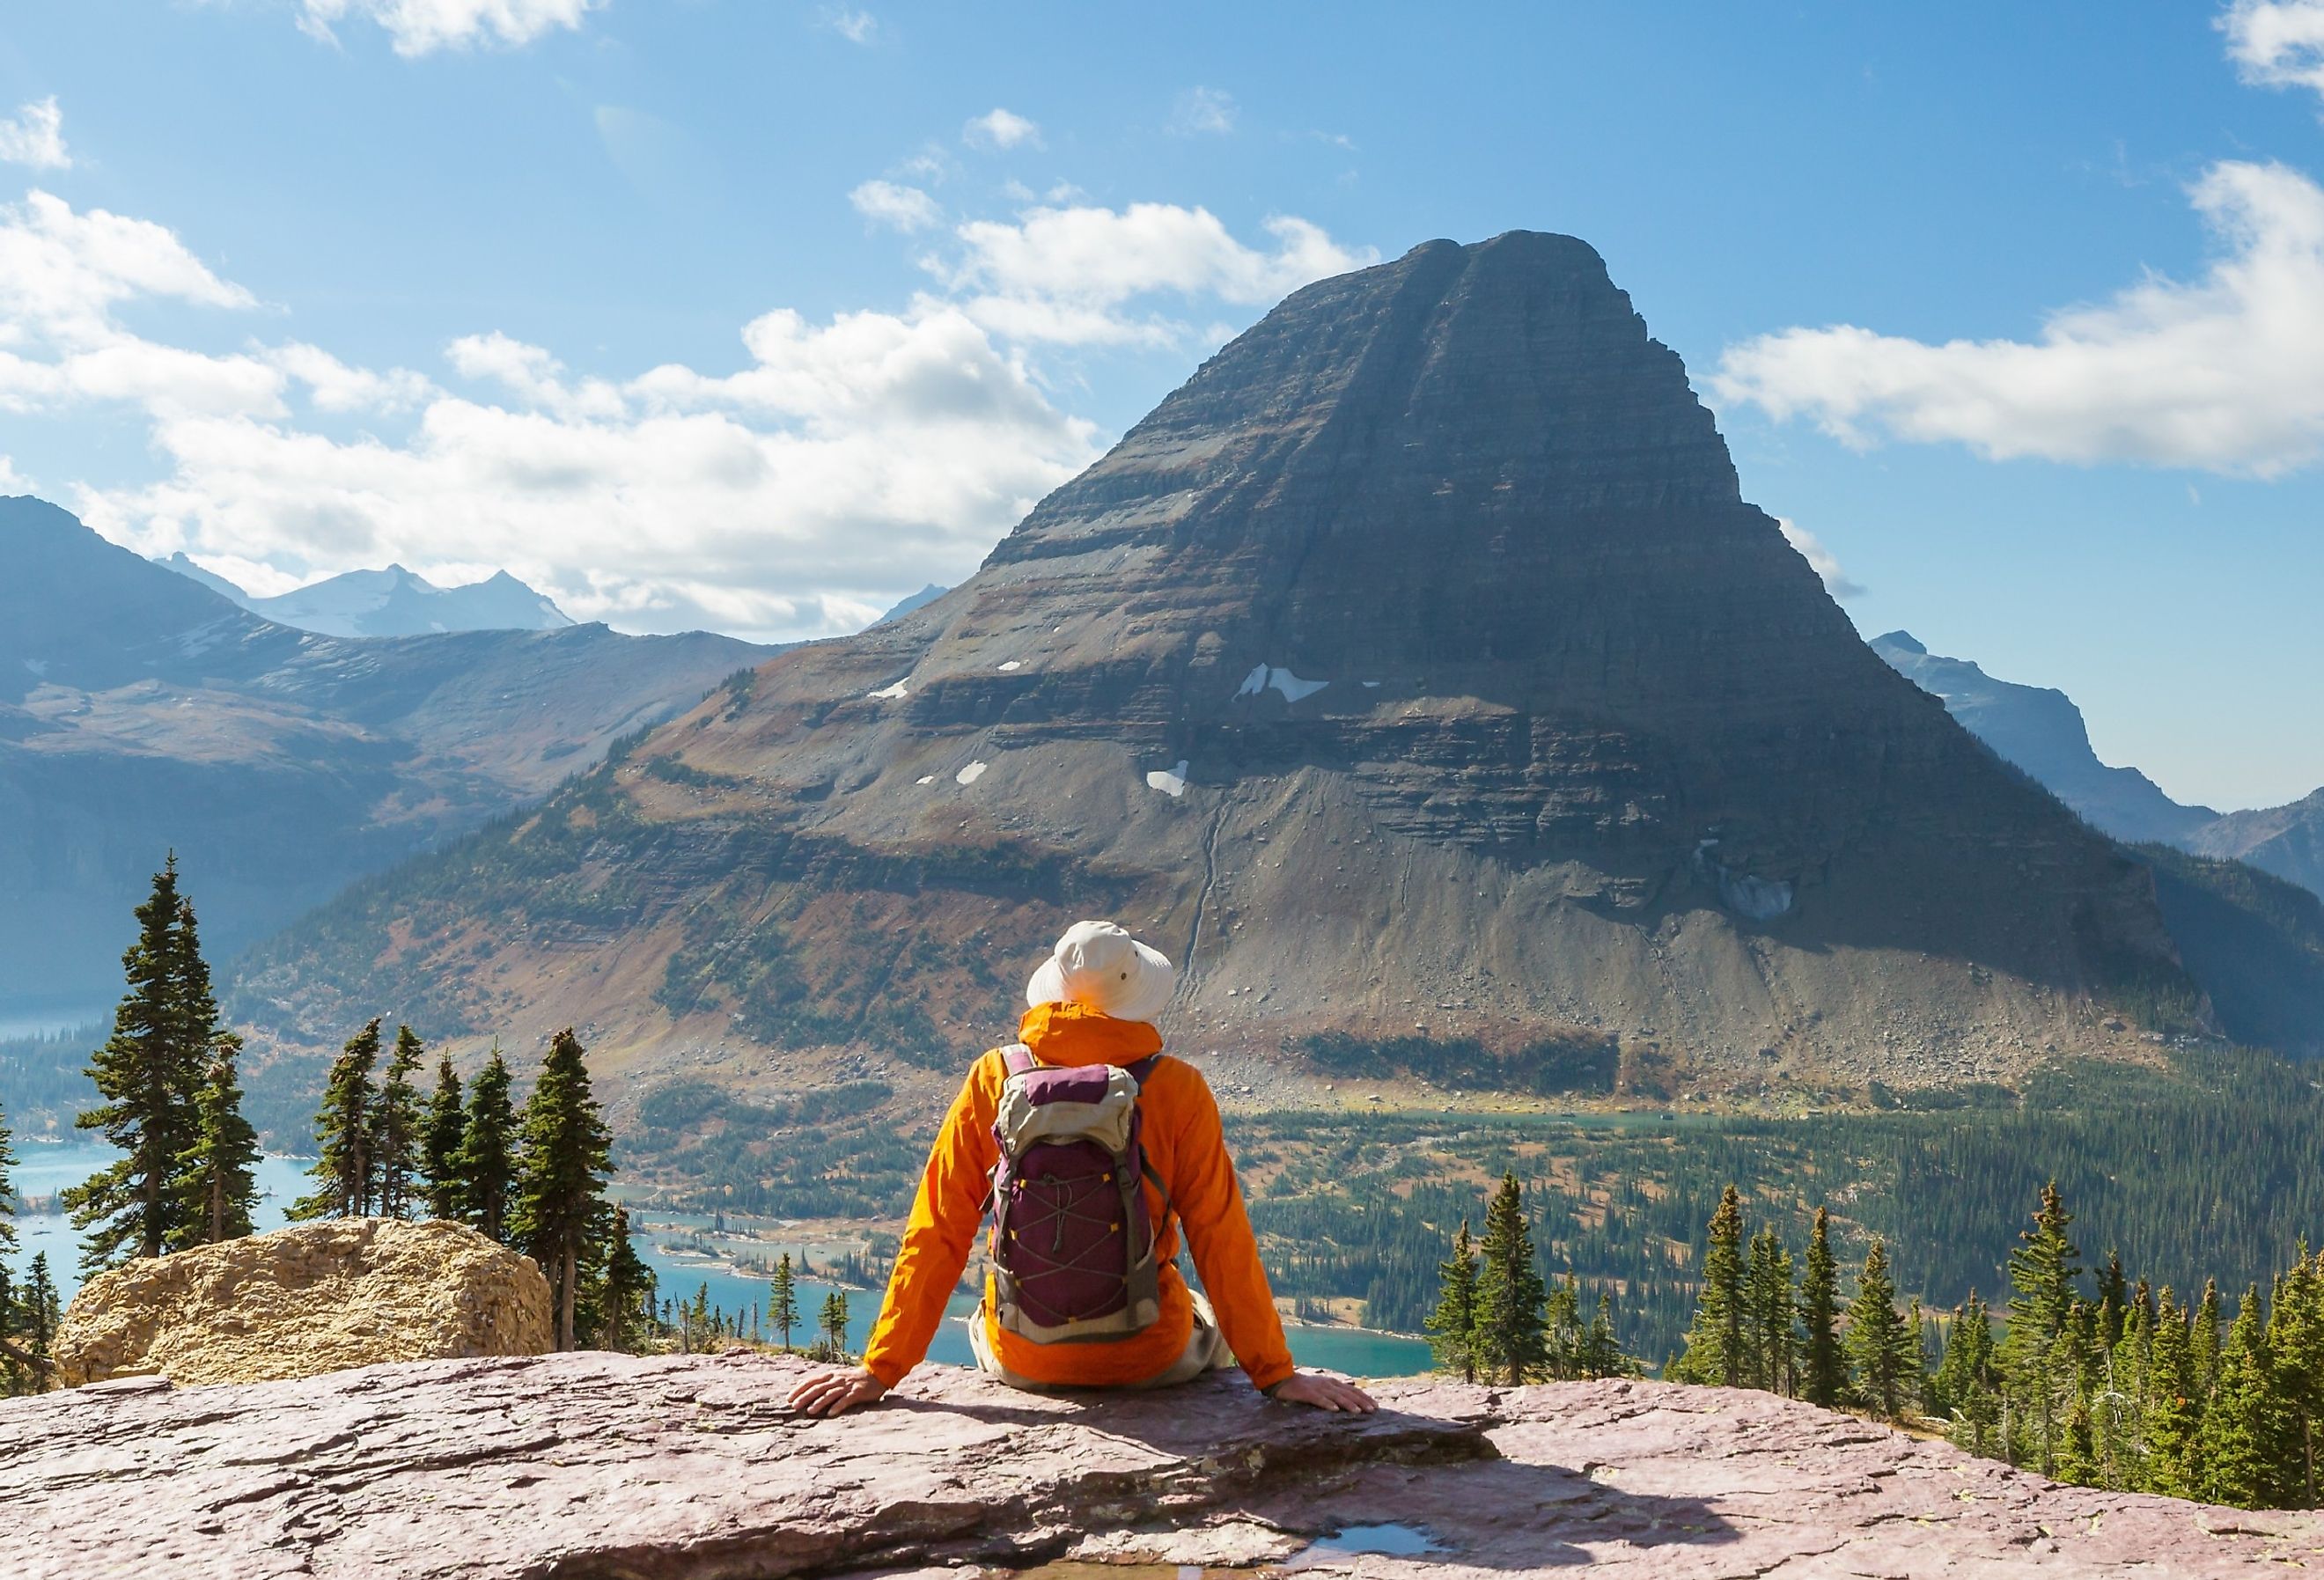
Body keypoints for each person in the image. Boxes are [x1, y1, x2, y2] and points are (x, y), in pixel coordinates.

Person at [788, 919, 1378, 1416]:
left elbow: (937, 1227)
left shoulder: (995, 1078)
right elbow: (1221, 1237)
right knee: (1199, 1309)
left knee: (984, 1311)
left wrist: (881, 1367)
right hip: (1150, 1358)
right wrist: (1277, 1374)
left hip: (1022, 1359)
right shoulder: (1177, 1089)